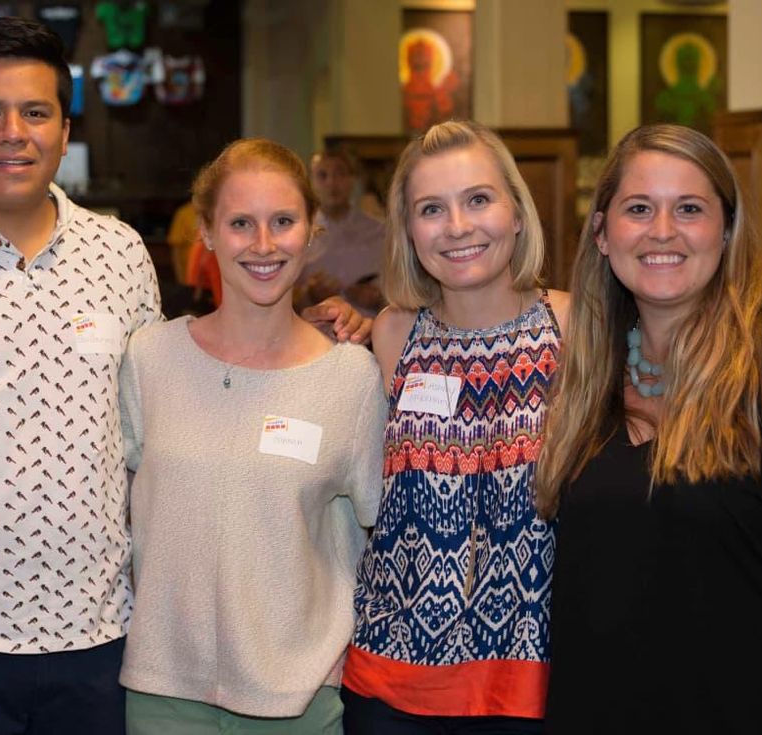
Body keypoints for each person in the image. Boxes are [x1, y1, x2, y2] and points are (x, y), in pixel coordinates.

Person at [0, 17, 368, 735]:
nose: (13, 131)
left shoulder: (119, 253)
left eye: (36, 112)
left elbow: (170, 417)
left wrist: (342, 327)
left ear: (64, 131)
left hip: (102, 645)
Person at [537, 124, 762, 735]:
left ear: (725, 229)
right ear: (602, 232)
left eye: (689, 209)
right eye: (638, 208)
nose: (662, 231)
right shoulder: (584, 369)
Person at [118, 138, 387, 733]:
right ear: (207, 232)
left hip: (299, 699)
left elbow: (381, 534)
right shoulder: (149, 359)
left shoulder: (352, 378)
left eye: (283, 222)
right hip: (165, 692)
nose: (263, 245)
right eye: (241, 223)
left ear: (312, 230)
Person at [342, 120, 570, 734]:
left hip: (535, 682)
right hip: (393, 677)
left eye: (478, 199)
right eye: (431, 209)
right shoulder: (393, 333)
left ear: (518, 213)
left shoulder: (575, 326)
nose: (458, 227)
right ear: (409, 231)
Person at [299, 149, 386, 314]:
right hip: (315, 333)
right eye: (322, 175)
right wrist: (308, 295)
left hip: (368, 331)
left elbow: (402, 292)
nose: (332, 182)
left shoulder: (380, 232)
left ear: (353, 179)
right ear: (310, 182)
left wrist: (379, 298)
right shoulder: (298, 234)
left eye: (340, 173)